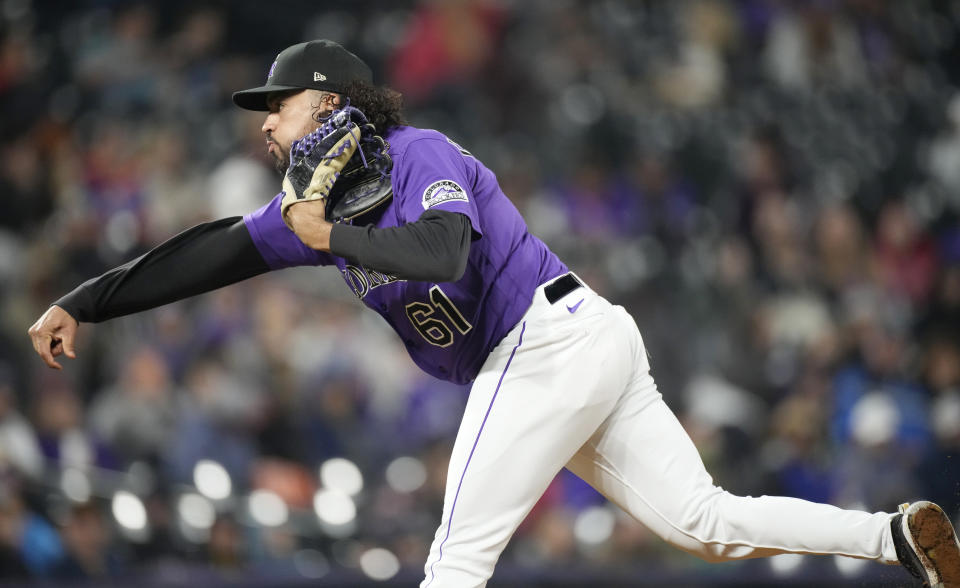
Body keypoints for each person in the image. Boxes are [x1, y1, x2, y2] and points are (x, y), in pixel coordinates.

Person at [27, 39, 960, 588]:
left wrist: (326, 237)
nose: (265, 123)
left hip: (546, 340)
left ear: (335, 105)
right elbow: (209, 251)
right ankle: (889, 536)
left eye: (281, 104)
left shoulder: (417, 151)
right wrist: (83, 299)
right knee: (701, 519)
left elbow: (448, 255)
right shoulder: (310, 210)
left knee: (454, 564)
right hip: (570, 349)